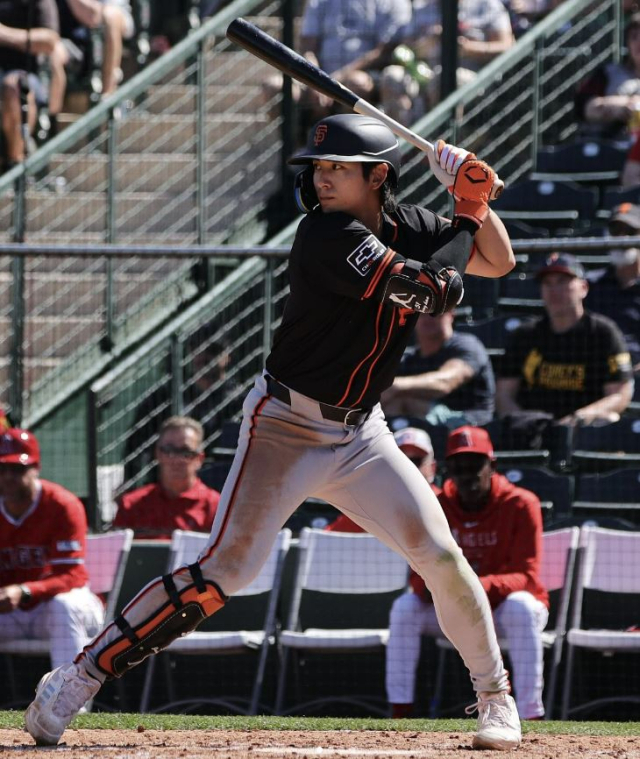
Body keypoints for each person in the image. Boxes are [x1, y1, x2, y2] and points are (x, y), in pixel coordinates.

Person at [25, 113, 522, 751]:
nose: (322, 178)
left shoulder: (414, 227)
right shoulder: (324, 233)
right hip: (285, 425)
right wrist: (467, 208)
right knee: (222, 572)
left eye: (338, 167)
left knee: (441, 555)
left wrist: (472, 190)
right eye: (318, 167)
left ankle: (494, 697)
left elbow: (498, 261)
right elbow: (433, 292)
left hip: (361, 433)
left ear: (379, 176)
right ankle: (78, 676)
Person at [386, 425, 548, 720]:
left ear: (492, 466)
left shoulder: (522, 504)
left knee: (522, 608)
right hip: (456, 608)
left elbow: (527, 576)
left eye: (475, 465)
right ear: (447, 469)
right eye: (458, 466)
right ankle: (401, 711)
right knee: (405, 608)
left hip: (503, 610)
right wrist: (449, 588)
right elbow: (418, 577)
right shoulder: (436, 505)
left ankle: (530, 714)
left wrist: (468, 585)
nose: (467, 474)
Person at [0, 428, 104, 671]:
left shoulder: (61, 504)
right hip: (12, 613)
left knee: (63, 606)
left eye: (17, 469)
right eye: (1, 469)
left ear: (36, 468)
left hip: (61, 607)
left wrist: (25, 590)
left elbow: (72, 576)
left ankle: (70, 705)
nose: (7, 477)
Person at [495, 252, 634, 427]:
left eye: (562, 281)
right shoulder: (524, 335)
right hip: (534, 431)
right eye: (547, 283)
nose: (554, 290)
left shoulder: (604, 333)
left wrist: (580, 417)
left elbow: (620, 394)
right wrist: (522, 422)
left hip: (585, 431)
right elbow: (504, 395)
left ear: (584, 288)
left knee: (609, 418)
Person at [261, 0, 412, 141]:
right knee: (274, 86)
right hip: (318, 78)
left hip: (363, 77)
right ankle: (295, 153)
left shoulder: (395, 2)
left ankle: (343, 152)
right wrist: (315, 80)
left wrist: (332, 83)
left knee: (355, 84)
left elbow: (383, 52)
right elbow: (307, 47)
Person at [378, 0, 514, 124]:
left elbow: (507, 45)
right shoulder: (421, 7)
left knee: (443, 79)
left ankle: (441, 146)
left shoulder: (486, 4)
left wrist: (469, 48)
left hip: (473, 75)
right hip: (424, 72)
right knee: (392, 76)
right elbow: (405, 47)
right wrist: (426, 44)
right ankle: (405, 146)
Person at [381, 309, 495, 428]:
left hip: (468, 426)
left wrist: (396, 386)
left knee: (401, 400)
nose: (427, 318)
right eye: (421, 314)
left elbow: (445, 383)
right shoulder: (409, 360)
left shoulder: (466, 345)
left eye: (435, 313)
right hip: (423, 430)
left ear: (451, 315)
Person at [113, 416, 220, 540]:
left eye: (185, 452)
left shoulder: (216, 506)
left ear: (199, 458)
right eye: (169, 450)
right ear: (157, 454)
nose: (176, 459)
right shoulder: (131, 504)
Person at [326, 426, 438, 533]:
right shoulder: (372, 505)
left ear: (432, 468)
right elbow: (325, 541)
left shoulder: (445, 502)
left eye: (415, 461)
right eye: (401, 461)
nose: (407, 469)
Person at [49, 0, 135, 125]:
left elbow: (94, 16)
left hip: (114, 16)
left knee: (109, 16)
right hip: (73, 37)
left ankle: (108, 95)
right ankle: (50, 125)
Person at [0, 0, 59, 169]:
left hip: (26, 74)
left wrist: (5, 35)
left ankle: (14, 167)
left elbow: (50, 40)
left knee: (14, 86)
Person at [585, 202, 640, 376]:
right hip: (597, 373)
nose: (622, 238)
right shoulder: (589, 285)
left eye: (630, 232)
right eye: (616, 231)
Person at [575, 12, 640, 140]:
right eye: (634, 37)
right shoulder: (608, 73)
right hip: (609, 144)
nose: (639, 42)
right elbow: (585, 108)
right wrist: (620, 106)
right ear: (627, 42)